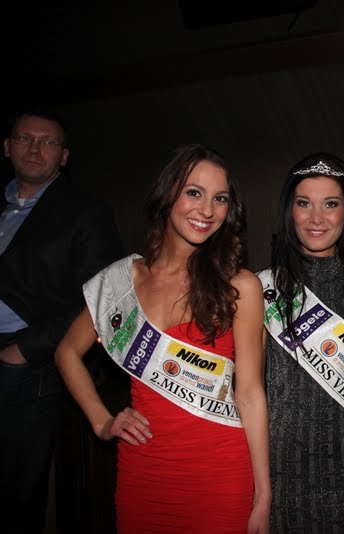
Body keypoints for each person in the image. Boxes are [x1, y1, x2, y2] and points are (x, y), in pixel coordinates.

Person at [54, 144, 271, 533]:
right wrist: (102, 422)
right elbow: (67, 352)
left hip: (220, 474)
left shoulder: (240, 286)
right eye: (194, 192)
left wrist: (263, 495)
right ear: (168, 194)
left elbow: (251, 394)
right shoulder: (122, 282)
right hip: (143, 471)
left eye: (220, 198)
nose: (207, 210)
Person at [0, 110, 122, 533]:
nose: (34, 148)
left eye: (48, 142)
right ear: (7, 146)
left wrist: (23, 350)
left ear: (64, 156)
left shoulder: (85, 211)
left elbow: (102, 298)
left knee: (15, 497)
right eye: (25, 138)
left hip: (24, 361)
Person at [257, 152, 344, 532]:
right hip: (283, 478)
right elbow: (245, 391)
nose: (316, 218)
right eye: (303, 204)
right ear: (289, 211)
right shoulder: (262, 289)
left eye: (330, 204)